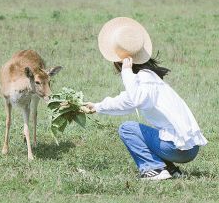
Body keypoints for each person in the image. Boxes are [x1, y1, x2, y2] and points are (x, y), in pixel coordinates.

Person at [80, 17, 206, 181]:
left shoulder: (144, 79)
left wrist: (126, 72)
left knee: (127, 129)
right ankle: (170, 169)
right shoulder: (149, 77)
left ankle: (153, 169)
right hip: (190, 147)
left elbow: (137, 99)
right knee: (153, 132)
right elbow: (128, 100)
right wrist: (97, 107)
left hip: (177, 148)